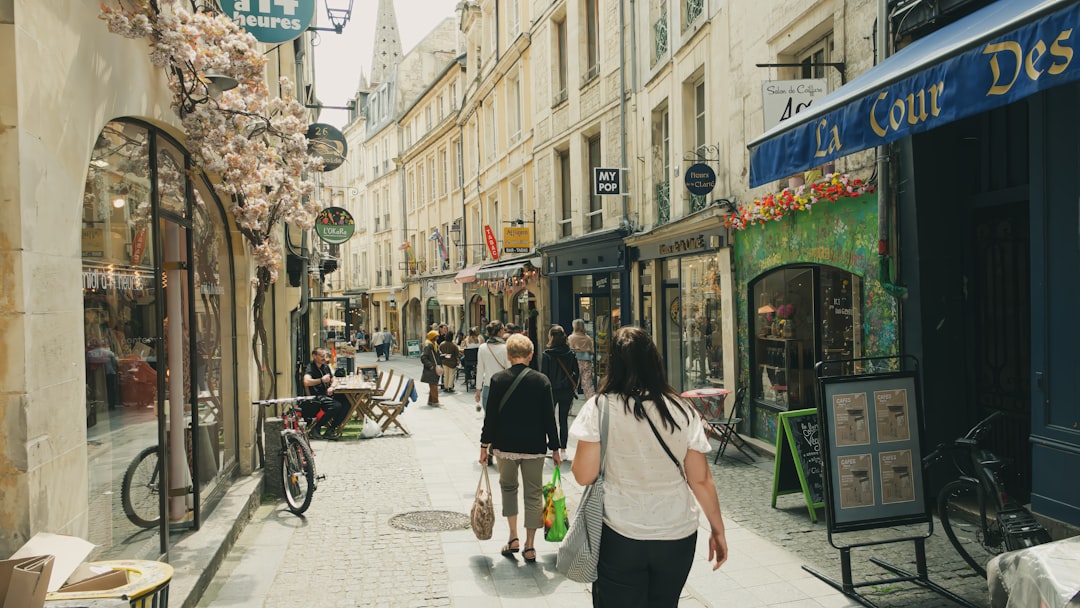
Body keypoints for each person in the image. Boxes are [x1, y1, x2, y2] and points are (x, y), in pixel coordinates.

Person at [568, 327, 728, 606]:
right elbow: (700, 480)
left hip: (621, 533)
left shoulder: (600, 407)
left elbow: (584, 475)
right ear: (655, 361)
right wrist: (718, 530)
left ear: (614, 364)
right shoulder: (682, 409)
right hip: (677, 533)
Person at [479, 334, 563, 564]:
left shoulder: (498, 380)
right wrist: (555, 448)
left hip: (505, 446)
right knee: (533, 493)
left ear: (508, 355)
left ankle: (513, 536)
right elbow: (549, 418)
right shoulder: (541, 381)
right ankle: (530, 545)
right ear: (531, 355)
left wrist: (484, 446)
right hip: (534, 446)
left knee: (508, 488)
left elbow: (490, 418)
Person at [540, 325, 579, 461]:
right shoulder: (571, 353)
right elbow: (576, 373)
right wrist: (572, 386)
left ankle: (553, 448)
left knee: (549, 420)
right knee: (563, 420)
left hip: (551, 391)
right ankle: (563, 450)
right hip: (566, 391)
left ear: (551, 337)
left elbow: (544, 375)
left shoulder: (547, 354)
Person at [302, 347, 348, 438]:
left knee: (347, 402)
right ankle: (316, 428)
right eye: (322, 356)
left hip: (326, 395)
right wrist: (321, 380)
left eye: (325, 355)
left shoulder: (325, 366)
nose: (324, 358)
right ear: (314, 356)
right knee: (336, 405)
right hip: (316, 396)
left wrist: (332, 387)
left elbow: (334, 379)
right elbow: (306, 382)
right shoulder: (310, 367)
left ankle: (331, 429)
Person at [475, 320, 508, 413]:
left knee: (489, 417)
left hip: (488, 387)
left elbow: (480, 370)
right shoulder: (505, 348)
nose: (504, 331)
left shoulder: (482, 348)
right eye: (503, 329)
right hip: (503, 387)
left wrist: (478, 390)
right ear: (500, 331)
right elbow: (510, 369)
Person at [568, 318, 596, 400]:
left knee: (573, 382)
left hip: (575, 361)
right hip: (587, 361)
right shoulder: (588, 338)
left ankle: (569, 401)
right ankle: (591, 401)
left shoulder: (571, 338)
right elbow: (592, 351)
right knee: (588, 383)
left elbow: (569, 350)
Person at [420, 330, 442, 405]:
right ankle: (435, 401)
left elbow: (437, 355)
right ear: (433, 337)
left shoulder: (435, 344)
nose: (437, 338)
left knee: (433, 384)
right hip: (431, 369)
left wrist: (442, 355)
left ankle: (431, 400)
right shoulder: (428, 345)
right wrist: (430, 365)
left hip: (434, 368)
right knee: (433, 385)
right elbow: (423, 357)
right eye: (436, 336)